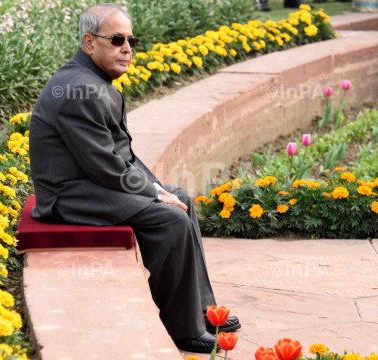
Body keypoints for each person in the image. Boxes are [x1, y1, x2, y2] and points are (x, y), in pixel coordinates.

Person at [28, 3, 241, 354]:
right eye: (116, 39)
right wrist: (155, 196)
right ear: (88, 43)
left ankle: (201, 308)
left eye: (131, 40)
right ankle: (183, 328)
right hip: (70, 196)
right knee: (171, 219)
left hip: (92, 183)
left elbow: (122, 157)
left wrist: (157, 189)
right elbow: (107, 166)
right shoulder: (77, 91)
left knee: (182, 199)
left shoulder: (93, 81)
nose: (127, 48)